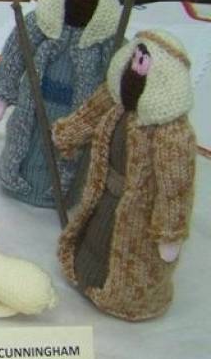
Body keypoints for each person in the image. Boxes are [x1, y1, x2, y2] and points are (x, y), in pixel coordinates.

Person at [54, 30, 195, 321]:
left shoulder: (172, 133)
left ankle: (124, 298)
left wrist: (170, 232)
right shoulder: (115, 100)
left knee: (129, 252)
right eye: (135, 58)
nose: (135, 68)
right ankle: (87, 276)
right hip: (104, 193)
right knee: (96, 235)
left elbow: (175, 188)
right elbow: (89, 115)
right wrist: (67, 134)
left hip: (141, 213)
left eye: (144, 62)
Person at [0, 0, 120, 208]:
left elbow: (119, 73)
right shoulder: (42, 25)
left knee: (68, 152)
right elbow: (15, 53)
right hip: (35, 104)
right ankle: (18, 178)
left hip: (77, 114)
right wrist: (1, 95)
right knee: (26, 139)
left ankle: (61, 191)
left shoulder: (105, 42)